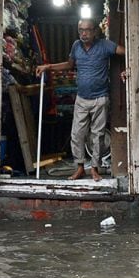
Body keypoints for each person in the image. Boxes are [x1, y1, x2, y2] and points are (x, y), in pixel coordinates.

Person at [35, 18, 125, 181]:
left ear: (95, 31)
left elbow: (126, 51)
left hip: (100, 98)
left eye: (87, 30)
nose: (84, 33)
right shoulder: (76, 45)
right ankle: (80, 168)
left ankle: (95, 169)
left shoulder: (105, 45)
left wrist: (128, 69)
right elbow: (70, 65)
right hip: (82, 99)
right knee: (77, 134)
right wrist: (48, 67)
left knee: (97, 136)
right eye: (81, 30)